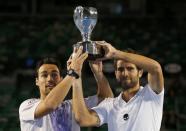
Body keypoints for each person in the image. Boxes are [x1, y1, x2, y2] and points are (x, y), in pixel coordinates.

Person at [73, 41, 164, 131]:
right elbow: (83, 119)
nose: (125, 73)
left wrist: (115, 53)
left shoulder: (151, 94)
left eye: (130, 68)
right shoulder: (110, 105)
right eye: (120, 69)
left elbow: (155, 68)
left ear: (140, 72)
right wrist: (76, 75)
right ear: (116, 73)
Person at [19, 46, 113, 131]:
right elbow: (50, 105)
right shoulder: (27, 106)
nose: (50, 79)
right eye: (44, 75)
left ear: (61, 79)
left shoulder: (73, 105)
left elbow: (107, 100)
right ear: (37, 81)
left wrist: (99, 73)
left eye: (54, 75)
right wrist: (72, 72)